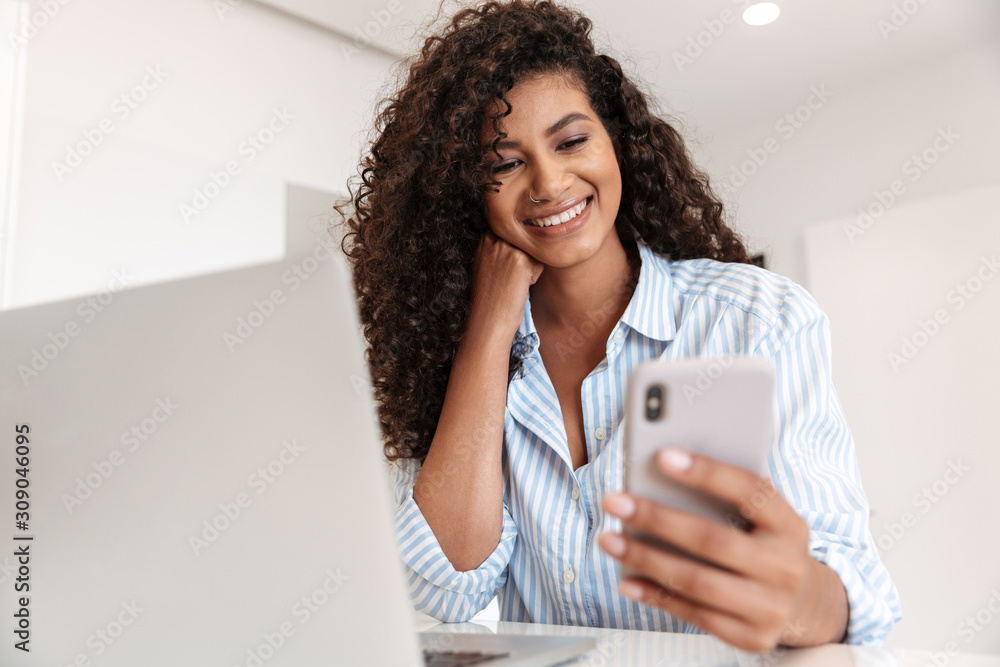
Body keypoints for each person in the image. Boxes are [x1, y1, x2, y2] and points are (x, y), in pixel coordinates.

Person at [336, 0, 901, 653]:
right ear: (471, 193)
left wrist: (795, 598)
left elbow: (854, 586)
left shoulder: (754, 321)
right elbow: (446, 589)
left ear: (617, 144)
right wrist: (488, 330)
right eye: (505, 163)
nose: (549, 182)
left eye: (571, 141)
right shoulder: (460, 366)